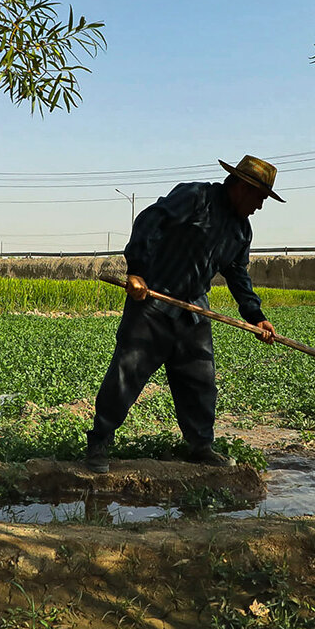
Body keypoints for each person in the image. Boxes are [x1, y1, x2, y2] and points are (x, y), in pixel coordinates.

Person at [84, 155, 284, 473]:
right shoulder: (196, 198)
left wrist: (255, 315)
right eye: (259, 197)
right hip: (153, 300)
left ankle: (200, 447)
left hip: (193, 309)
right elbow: (150, 220)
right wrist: (137, 271)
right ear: (243, 187)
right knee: (127, 372)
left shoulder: (241, 231)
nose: (259, 206)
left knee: (200, 380)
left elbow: (237, 274)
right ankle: (99, 442)